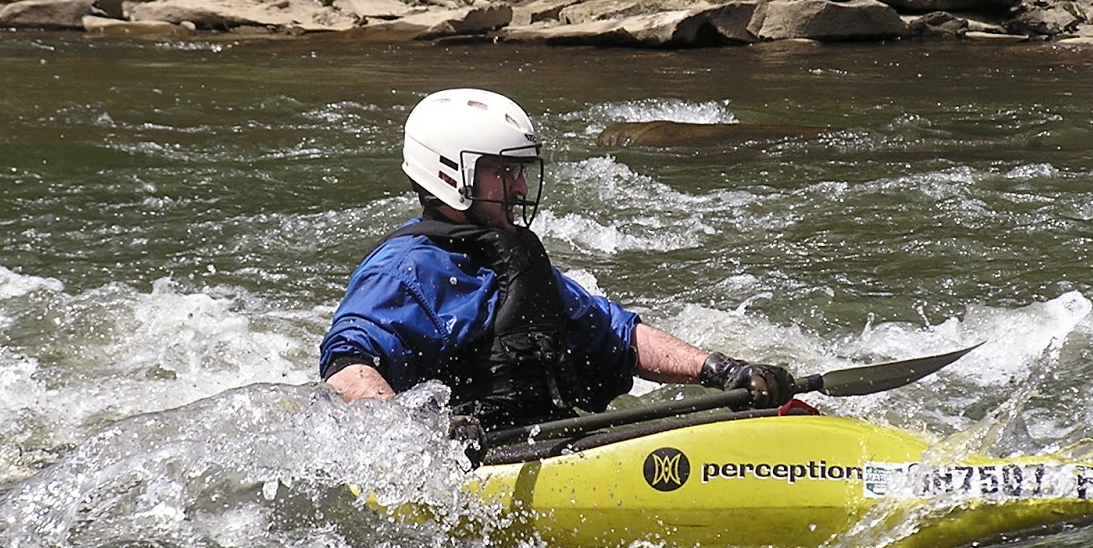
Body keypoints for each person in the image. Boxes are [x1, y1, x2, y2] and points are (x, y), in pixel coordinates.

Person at [318, 88, 794, 432]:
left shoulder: (513, 259)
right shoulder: (404, 270)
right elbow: (347, 366)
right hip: (473, 460)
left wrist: (722, 370)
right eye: (503, 172)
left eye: (519, 171)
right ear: (451, 174)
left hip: (547, 438)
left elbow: (617, 335)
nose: (521, 187)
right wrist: (417, 436)